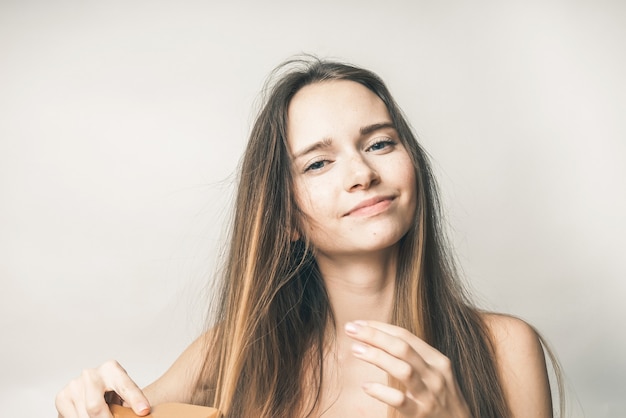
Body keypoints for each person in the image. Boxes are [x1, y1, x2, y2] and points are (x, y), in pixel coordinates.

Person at [55, 57, 560, 418]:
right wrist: (89, 399)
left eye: (380, 143)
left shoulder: (505, 348)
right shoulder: (232, 351)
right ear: (286, 217)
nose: (362, 172)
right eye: (318, 162)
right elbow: (118, 410)